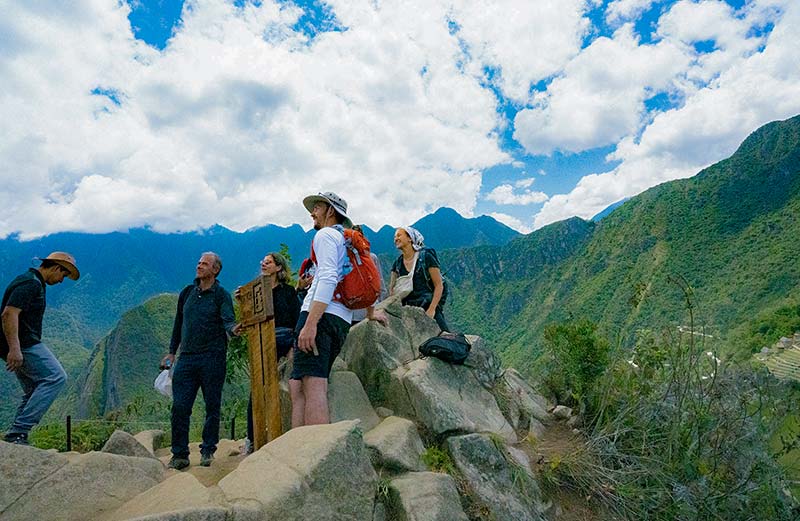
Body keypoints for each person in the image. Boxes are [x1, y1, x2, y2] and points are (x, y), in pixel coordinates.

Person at [290, 191, 387, 428]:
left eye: (317, 208)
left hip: (320, 315)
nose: (312, 213)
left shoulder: (325, 235)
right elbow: (366, 280)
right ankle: (306, 446)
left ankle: (316, 450)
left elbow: (328, 277)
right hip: (341, 319)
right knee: (303, 383)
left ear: (330, 211)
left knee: (314, 385)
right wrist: (371, 313)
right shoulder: (349, 241)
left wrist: (311, 323)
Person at [161, 252, 240, 470]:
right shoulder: (187, 293)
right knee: (179, 407)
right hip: (186, 358)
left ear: (215, 270)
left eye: (205, 264)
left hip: (212, 358)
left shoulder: (221, 295)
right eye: (198, 263)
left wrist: (234, 330)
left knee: (212, 405)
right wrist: (171, 352)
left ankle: (208, 450)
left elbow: (228, 322)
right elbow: (179, 323)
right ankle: (179, 454)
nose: (199, 266)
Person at [1, 252, 80, 445]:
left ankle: (17, 436)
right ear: (55, 268)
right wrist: (15, 348)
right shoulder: (30, 284)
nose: (62, 281)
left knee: (33, 389)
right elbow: (9, 313)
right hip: (24, 344)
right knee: (56, 377)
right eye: (63, 275)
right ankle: (19, 431)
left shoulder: (32, 281)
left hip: (20, 344)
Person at [238, 252, 300, 454]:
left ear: (279, 268)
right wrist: (242, 301)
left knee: (278, 387)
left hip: (283, 338)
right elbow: (249, 320)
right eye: (263, 261)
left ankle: (280, 433)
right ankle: (252, 437)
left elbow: (296, 320)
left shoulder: (288, 292)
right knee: (257, 390)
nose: (263, 264)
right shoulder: (256, 292)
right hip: (262, 341)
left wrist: (293, 347)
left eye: (269, 262)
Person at [389, 226, 449, 331]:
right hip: (408, 310)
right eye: (394, 237)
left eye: (399, 235)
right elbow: (392, 290)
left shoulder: (426, 257)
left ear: (410, 238)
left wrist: (432, 309)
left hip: (428, 305)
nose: (396, 239)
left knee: (444, 339)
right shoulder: (397, 264)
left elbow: (439, 285)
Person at [350, 224, 387, 324]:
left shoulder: (371, 258)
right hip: (353, 312)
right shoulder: (344, 260)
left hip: (364, 311)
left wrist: (380, 306)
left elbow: (379, 285)